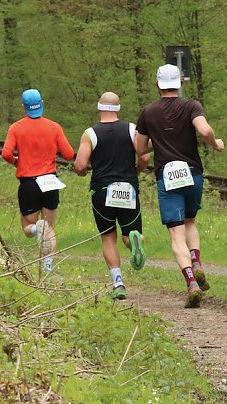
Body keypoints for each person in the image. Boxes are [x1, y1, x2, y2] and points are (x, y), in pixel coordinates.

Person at [134, 64, 224, 308]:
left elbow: (140, 148)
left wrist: (158, 141)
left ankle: (191, 284)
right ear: (179, 84)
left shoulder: (148, 112)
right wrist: (214, 143)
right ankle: (196, 262)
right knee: (191, 221)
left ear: (157, 85)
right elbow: (204, 129)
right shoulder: (191, 105)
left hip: (168, 176)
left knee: (176, 232)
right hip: (193, 173)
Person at [73, 92, 151, 300]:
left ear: (99, 108)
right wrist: (136, 171)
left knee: (108, 237)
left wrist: (82, 172)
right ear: (118, 109)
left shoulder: (90, 134)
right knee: (129, 233)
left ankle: (118, 283)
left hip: (102, 191)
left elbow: (80, 165)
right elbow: (144, 156)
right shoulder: (131, 129)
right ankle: (135, 240)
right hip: (128, 189)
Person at [2, 88, 75, 273]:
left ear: (23, 107)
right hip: (50, 181)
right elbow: (68, 154)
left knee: (28, 225)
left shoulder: (16, 128)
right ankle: (48, 268)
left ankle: (36, 230)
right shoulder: (54, 127)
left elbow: (6, 153)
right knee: (49, 227)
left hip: (29, 183)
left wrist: (16, 162)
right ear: (42, 103)